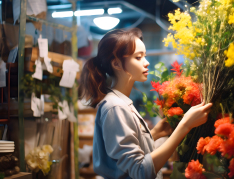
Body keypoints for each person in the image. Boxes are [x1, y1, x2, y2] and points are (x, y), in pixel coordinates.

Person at [78, 28, 212, 179]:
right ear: (116, 64)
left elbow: (127, 158)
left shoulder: (121, 102)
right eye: (138, 57)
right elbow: (140, 171)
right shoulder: (115, 107)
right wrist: (185, 126)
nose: (147, 63)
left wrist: (153, 134)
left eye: (145, 56)